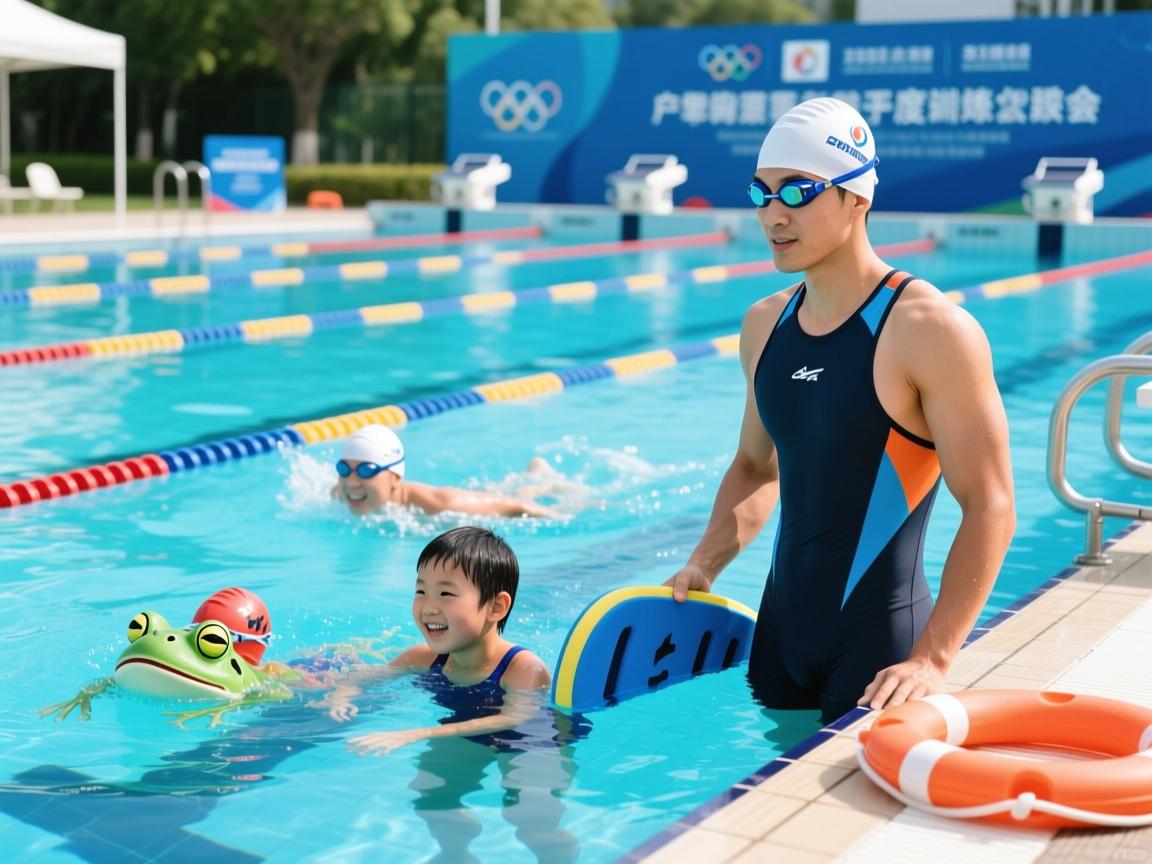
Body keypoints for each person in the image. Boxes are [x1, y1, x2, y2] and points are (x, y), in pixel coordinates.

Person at [667, 97, 1016, 724]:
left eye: (797, 192)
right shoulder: (765, 324)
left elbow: (991, 505)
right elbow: (754, 467)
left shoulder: (929, 329)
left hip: (882, 651)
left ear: (858, 197)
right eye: (761, 192)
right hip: (777, 641)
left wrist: (933, 660)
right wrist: (704, 561)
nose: (773, 214)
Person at [321, 525, 552, 748]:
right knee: (430, 786)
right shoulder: (423, 657)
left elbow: (512, 718)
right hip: (455, 731)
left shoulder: (523, 669)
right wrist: (342, 695)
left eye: (446, 593)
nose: (429, 608)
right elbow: (368, 677)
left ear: (496, 607)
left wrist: (419, 734)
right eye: (421, 591)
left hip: (523, 742)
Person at [331, 424, 566, 519]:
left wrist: (562, 517)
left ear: (395, 477)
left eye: (366, 471)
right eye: (344, 469)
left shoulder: (442, 505)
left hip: (476, 502)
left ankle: (542, 481)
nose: (352, 482)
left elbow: (514, 505)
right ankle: (533, 474)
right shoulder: (343, 492)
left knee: (518, 495)